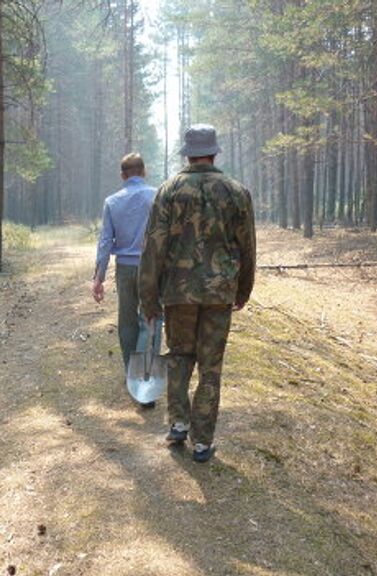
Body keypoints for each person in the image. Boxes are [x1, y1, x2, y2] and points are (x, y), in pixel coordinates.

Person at [138, 124, 256, 463]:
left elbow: (153, 248)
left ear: (187, 153)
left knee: (179, 357)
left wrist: (148, 297)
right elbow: (247, 246)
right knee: (210, 367)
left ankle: (178, 423)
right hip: (219, 293)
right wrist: (243, 289)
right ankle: (202, 442)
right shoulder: (236, 192)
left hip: (178, 292)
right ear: (215, 152)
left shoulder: (169, 191)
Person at [92, 153, 162, 406]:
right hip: (152, 268)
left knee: (127, 323)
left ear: (123, 175)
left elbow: (105, 242)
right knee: (151, 321)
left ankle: (132, 377)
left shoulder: (112, 201)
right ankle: (145, 379)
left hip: (124, 269)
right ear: (144, 171)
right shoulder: (157, 196)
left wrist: (98, 277)